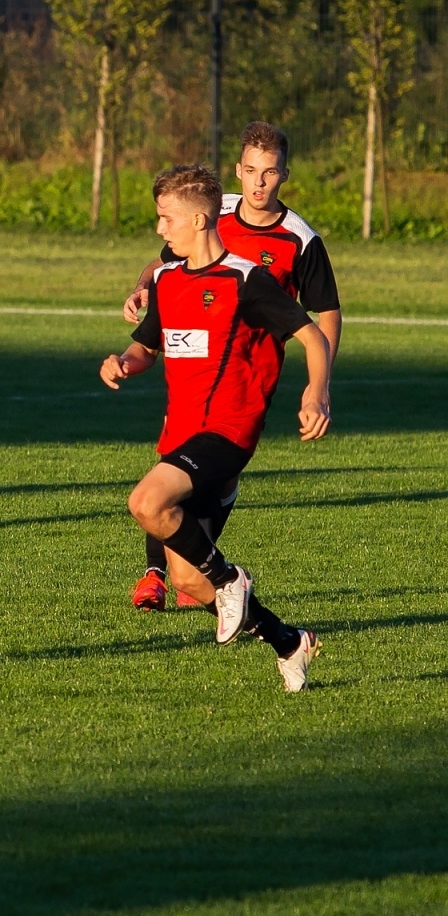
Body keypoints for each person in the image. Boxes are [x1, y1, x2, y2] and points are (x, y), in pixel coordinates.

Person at [101, 165, 331, 692]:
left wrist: (315, 391)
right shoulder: (166, 279)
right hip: (180, 434)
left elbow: (312, 337)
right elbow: (149, 346)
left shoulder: (246, 279)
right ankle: (289, 641)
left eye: (167, 219)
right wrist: (125, 361)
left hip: (228, 431)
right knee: (185, 578)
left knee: (145, 503)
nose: (160, 230)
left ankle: (232, 580)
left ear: (200, 219)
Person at [121, 122, 341, 611]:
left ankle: (214, 576)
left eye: (269, 173)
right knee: (172, 465)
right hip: (195, 363)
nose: (258, 183)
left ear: (285, 174)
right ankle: (161, 573)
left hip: (249, 379)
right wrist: (142, 289)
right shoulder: (208, 213)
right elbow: (161, 266)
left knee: (184, 485)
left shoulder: (297, 240)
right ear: (238, 170)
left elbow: (323, 317)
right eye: (250, 171)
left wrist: (318, 388)